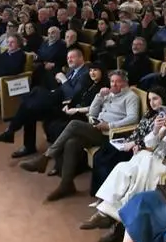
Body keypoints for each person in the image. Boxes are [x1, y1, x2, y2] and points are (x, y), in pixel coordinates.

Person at [81, 97, 166, 242]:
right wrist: (156, 130)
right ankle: (107, 213)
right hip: (150, 158)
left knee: (135, 181)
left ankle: (113, 219)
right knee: (122, 168)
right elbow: (149, 143)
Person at [19, 70, 140, 201]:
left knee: (74, 124)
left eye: (118, 82)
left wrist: (110, 125)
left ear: (125, 82)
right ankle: (66, 185)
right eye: (112, 81)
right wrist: (99, 96)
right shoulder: (109, 94)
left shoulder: (131, 97)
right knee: (72, 143)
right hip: (97, 127)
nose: (114, 84)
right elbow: (93, 112)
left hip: (110, 134)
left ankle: (46, 158)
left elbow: (133, 119)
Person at [0, 48, 92, 157]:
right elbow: (63, 89)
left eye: (72, 57)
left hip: (66, 106)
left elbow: (73, 96)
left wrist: (63, 80)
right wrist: (58, 87)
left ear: (81, 58)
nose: (69, 60)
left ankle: (11, 132)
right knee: (31, 102)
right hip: (57, 98)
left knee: (32, 99)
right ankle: (23, 142)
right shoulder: (72, 70)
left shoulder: (85, 73)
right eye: (67, 58)